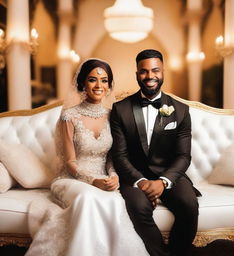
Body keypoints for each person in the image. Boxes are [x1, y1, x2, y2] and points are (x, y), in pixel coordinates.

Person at [25, 59, 149, 256]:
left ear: (109, 86)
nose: (99, 85)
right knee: (87, 197)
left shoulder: (113, 115)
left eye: (104, 80)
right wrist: (92, 180)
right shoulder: (69, 116)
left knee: (114, 201)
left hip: (104, 179)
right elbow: (70, 162)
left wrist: (114, 176)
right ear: (82, 83)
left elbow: (111, 157)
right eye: (92, 80)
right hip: (71, 179)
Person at [110, 49, 201, 256]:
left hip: (170, 174)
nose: (149, 76)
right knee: (139, 207)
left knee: (189, 205)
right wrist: (141, 181)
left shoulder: (181, 110)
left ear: (163, 72)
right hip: (134, 176)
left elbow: (183, 156)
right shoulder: (120, 109)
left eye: (155, 70)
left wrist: (163, 181)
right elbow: (120, 156)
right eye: (143, 71)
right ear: (136, 75)